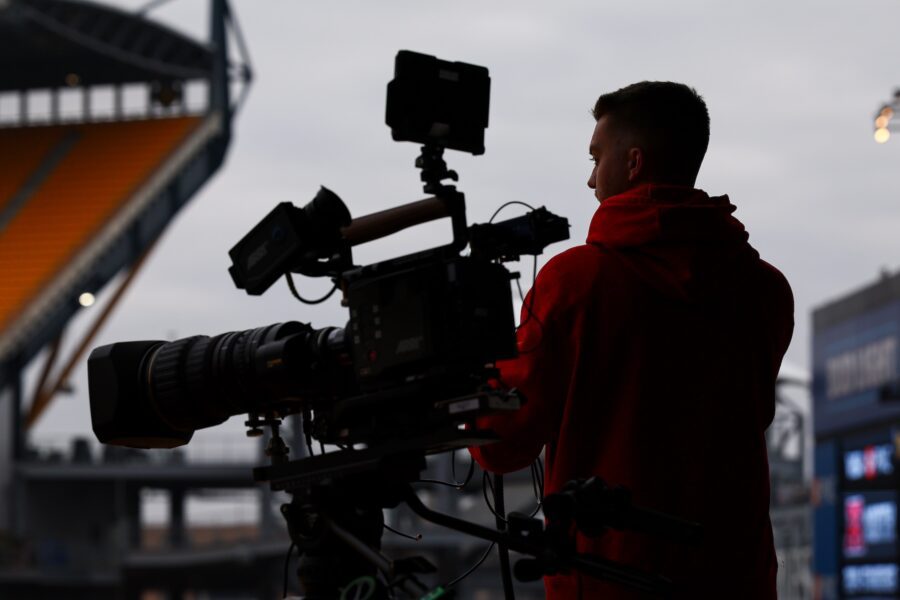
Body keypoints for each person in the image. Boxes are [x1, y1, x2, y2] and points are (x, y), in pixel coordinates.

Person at [469, 81, 794, 599]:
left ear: (634, 163)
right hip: (737, 578)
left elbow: (502, 443)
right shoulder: (767, 290)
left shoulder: (575, 282)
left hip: (605, 579)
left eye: (597, 158)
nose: (591, 177)